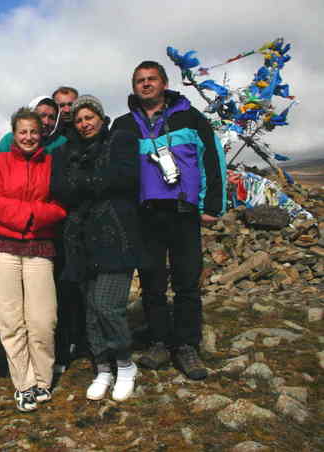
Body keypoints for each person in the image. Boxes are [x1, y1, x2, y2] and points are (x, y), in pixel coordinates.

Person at [111, 61, 227, 380]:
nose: (145, 84)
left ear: (164, 83)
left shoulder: (190, 117)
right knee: (152, 283)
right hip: (144, 214)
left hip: (183, 211)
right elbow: (114, 172)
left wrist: (212, 204)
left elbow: (213, 158)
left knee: (187, 282)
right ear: (134, 87)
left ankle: (187, 345)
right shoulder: (122, 125)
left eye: (151, 79)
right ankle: (159, 341)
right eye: (139, 81)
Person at [51, 95, 146, 401]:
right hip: (81, 241)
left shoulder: (121, 141)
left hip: (116, 237)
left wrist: (85, 182)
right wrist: (92, 183)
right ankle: (103, 368)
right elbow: (60, 189)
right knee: (91, 310)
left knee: (108, 305)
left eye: (89, 117)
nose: (84, 124)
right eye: (78, 120)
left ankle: (125, 364)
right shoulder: (67, 150)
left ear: (102, 118)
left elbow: (125, 179)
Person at [0, 108, 67, 412]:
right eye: (23, 132)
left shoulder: (52, 164)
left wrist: (30, 215)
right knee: (11, 321)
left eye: (34, 131)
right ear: (13, 134)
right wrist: (32, 214)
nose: (29, 137)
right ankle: (25, 384)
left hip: (40, 248)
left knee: (43, 320)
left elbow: (59, 204)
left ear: (41, 133)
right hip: (2, 249)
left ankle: (44, 379)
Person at [0, 96, 67, 154]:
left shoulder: (61, 142)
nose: (46, 122)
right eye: (42, 115)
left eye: (51, 117)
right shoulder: (10, 139)